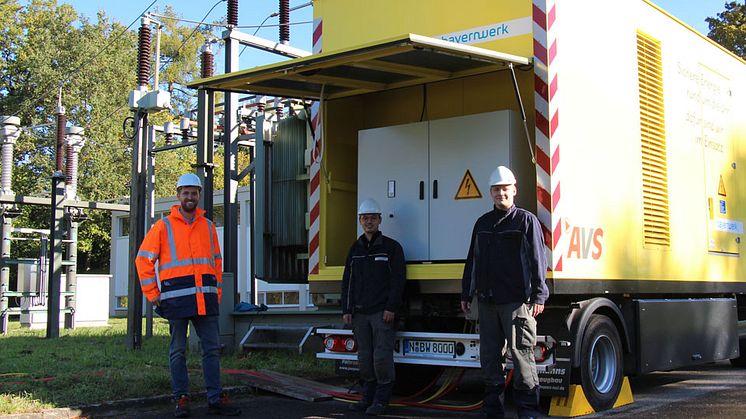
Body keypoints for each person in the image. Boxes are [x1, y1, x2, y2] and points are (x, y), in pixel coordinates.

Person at [135, 173, 241, 418]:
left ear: (199, 196)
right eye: (185, 193)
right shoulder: (163, 226)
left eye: (194, 193)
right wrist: (153, 295)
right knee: (177, 351)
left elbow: (216, 262)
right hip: (177, 301)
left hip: (206, 300)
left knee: (212, 350)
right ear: (178, 195)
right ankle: (181, 398)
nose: (190, 197)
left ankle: (215, 399)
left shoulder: (208, 226)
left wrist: (217, 292)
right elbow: (143, 260)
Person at [461, 165, 549, 419]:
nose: (501, 193)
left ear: (514, 190)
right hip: (487, 302)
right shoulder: (482, 223)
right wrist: (466, 294)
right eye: (496, 189)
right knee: (489, 359)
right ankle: (492, 410)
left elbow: (537, 260)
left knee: (522, 357)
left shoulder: (525, 220)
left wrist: (539, 295)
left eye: (505, 188)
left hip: (516, 302)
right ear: (491, 192)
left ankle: (528, 411)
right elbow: (472, 261)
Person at [341, 198, 406, 416]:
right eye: (365, 218)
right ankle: (366, 398)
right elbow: (347, 281)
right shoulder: (355, 249)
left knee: (381, 358)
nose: (369, 222)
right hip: (360, 314)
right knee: (364, 359)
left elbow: (398, 281)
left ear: (379, 220)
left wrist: (391, 308)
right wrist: (347, 310)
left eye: (372, 218)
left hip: (382, 313)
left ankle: (381, 400)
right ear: (360, 221)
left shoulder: (391, 248)